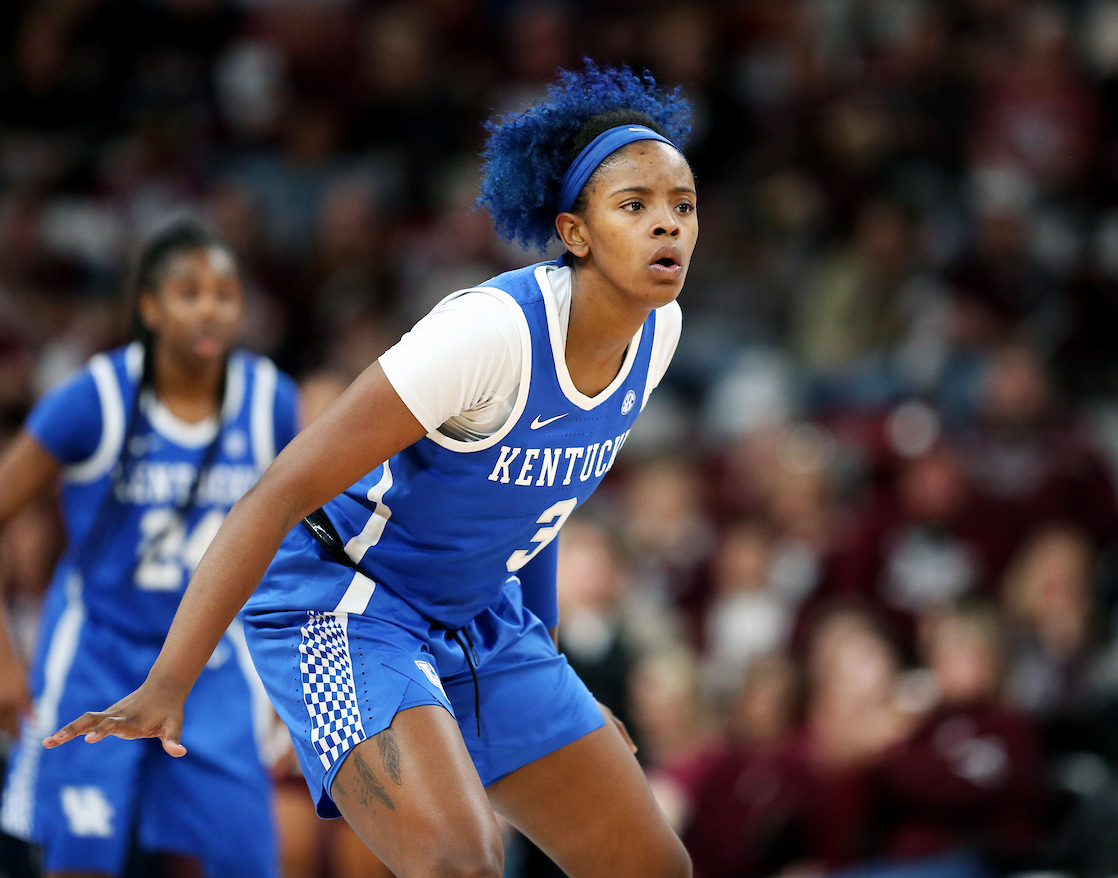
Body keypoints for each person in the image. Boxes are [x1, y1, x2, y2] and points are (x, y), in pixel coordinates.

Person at [47, 61, 696, 878]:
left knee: (654, 868)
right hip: (345, 601)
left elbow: (541, 509)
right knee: (461, 864)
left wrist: (546, 678)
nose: (667, 226)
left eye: (682, 206)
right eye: (635, 207)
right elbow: (280, 489)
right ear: (576, 232)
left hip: (474, 612)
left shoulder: (658, 331)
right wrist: (169, 679)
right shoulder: (489, 334)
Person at [0, 219, 298, 877]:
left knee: (241, 860)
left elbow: (302, 539)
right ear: (149, 307)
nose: (210, 307)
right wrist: (3, 659)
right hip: (98, 655)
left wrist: (288, 677)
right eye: (189, 291)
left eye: (225, 292)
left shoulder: (269, 399)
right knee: (81, 859)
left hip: (213, 664)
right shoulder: (94, 398)